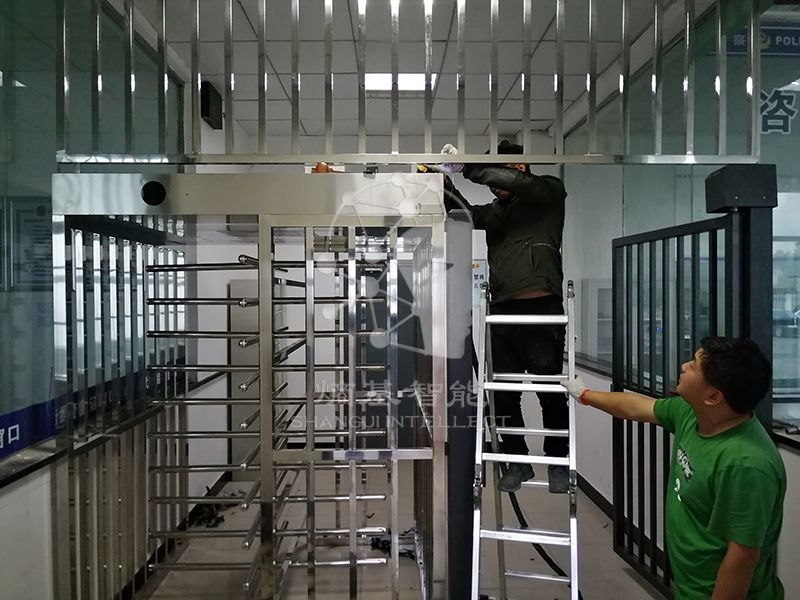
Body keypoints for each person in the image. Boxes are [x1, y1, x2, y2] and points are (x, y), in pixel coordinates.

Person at [564, 336, 785, 599]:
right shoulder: (692, 414)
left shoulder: (745, 464)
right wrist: (584, 395)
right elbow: (636, 407)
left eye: (694, 366)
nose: (684, 366)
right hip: (689, 587)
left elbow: (742, 558)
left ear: (713, 396)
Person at [438, 139, 570, 493]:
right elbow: (464, 214)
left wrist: (468, 168)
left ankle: (557, 463)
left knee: (549, 392)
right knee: (503, 394)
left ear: (520, 167)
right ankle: (517, 461)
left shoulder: (548, 194)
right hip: (503, 312)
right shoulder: (495, 212)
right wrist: (444, 184)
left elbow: (515, 183)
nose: (494, 186)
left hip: (542, 311)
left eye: (498, 174)